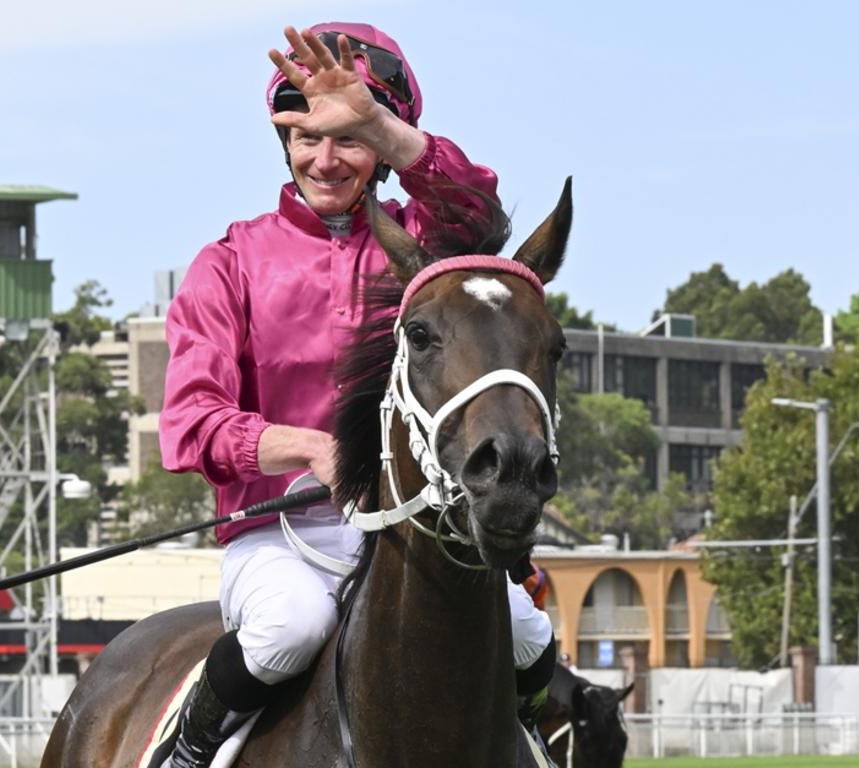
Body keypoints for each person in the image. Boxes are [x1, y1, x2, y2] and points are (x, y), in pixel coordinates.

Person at [159, 22, 555, 767]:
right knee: (290, 628)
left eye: (348, 139)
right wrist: (309, 448)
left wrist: (381, 121)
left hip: (408, 526)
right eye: (307, 137)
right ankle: (183, 752)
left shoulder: (425, 250)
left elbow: (481, 214)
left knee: (529, 633)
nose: (326, 159)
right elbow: (191, 423)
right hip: (280, 540)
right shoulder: (229, 263)